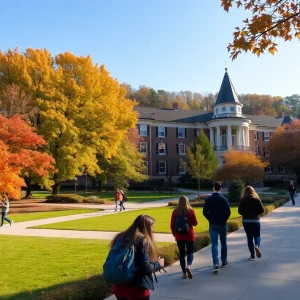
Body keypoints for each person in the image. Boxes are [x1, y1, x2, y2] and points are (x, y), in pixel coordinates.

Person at [112, 214, 164, 300]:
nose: (153, 230)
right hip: (136, 288)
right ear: (147, 227)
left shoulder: (120, 237)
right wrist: (158, 264)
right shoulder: (142, 240)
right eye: (152, 227)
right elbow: (144, 267)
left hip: (119, 286)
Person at [203, 182, 231, 272]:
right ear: (220, 189)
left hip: (213, 224)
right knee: (223, 243)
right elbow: (228, 212)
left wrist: (210, 219)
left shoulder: (209, 199)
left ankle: (215, 263)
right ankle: (224, 261)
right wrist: (224, 219)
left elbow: (204, 212)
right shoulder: (224, 200)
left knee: (214, 244)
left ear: (213, 188)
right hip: (222, 224)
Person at [170, 195, 198, 279]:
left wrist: (175, 234)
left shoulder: (175, 212)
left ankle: (183, 273)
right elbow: (195, 223)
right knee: (190, 252)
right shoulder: (191, 211)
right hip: (189, 234)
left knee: (181, 254)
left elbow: (172, 225)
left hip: (179, 236)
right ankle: (189, 265)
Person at [238, 186, 265, 261]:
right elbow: (262, 210)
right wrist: (256, 214)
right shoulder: (256, 199)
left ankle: (252, 255)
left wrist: (245, 214)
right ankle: (257, 245)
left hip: (246, 221)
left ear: (245, 192)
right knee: (257, 235)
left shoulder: (243, 200)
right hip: (256, 220)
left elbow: (239, 211)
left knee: (249, 237)